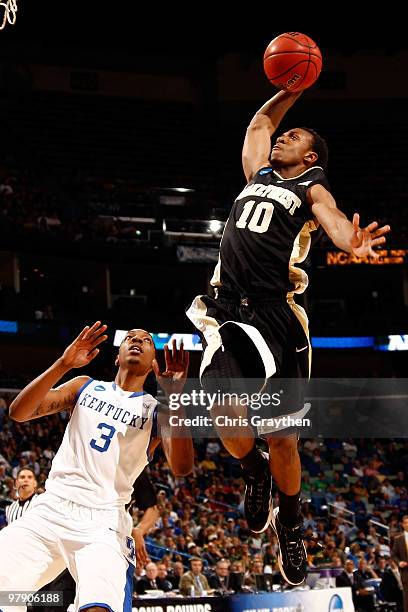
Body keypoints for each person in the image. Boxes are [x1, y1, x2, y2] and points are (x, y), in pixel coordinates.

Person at [187, 88, 390, 586]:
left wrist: (351, 243)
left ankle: (292, 524)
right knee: (224, 415)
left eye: (293, 137)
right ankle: (254, 471)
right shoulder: (257, 174)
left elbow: (335, 222)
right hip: (228, 307)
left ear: (311, 156)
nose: (281, 138)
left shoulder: (312, 188)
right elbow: (258, 123)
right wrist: (292, 88)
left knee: (283, 438)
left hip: (278, 318)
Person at [0, 322, 193, 612]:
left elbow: (181, 466)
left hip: (103, 522)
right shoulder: (85, 386)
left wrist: (175, 396)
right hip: (51, 508)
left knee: (98, 607)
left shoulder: (157, 409)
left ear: (155, 361)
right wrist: (63, 364)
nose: (137, 340)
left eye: (146, 340)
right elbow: (19, 412)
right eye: (130, 338)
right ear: (117, 356)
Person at [392, 515, 408, 611]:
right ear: (402, 524)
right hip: (406, 573)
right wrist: (399, 562)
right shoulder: (398, 539)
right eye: (406, 522)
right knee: (407, 599)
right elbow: (393, 555)